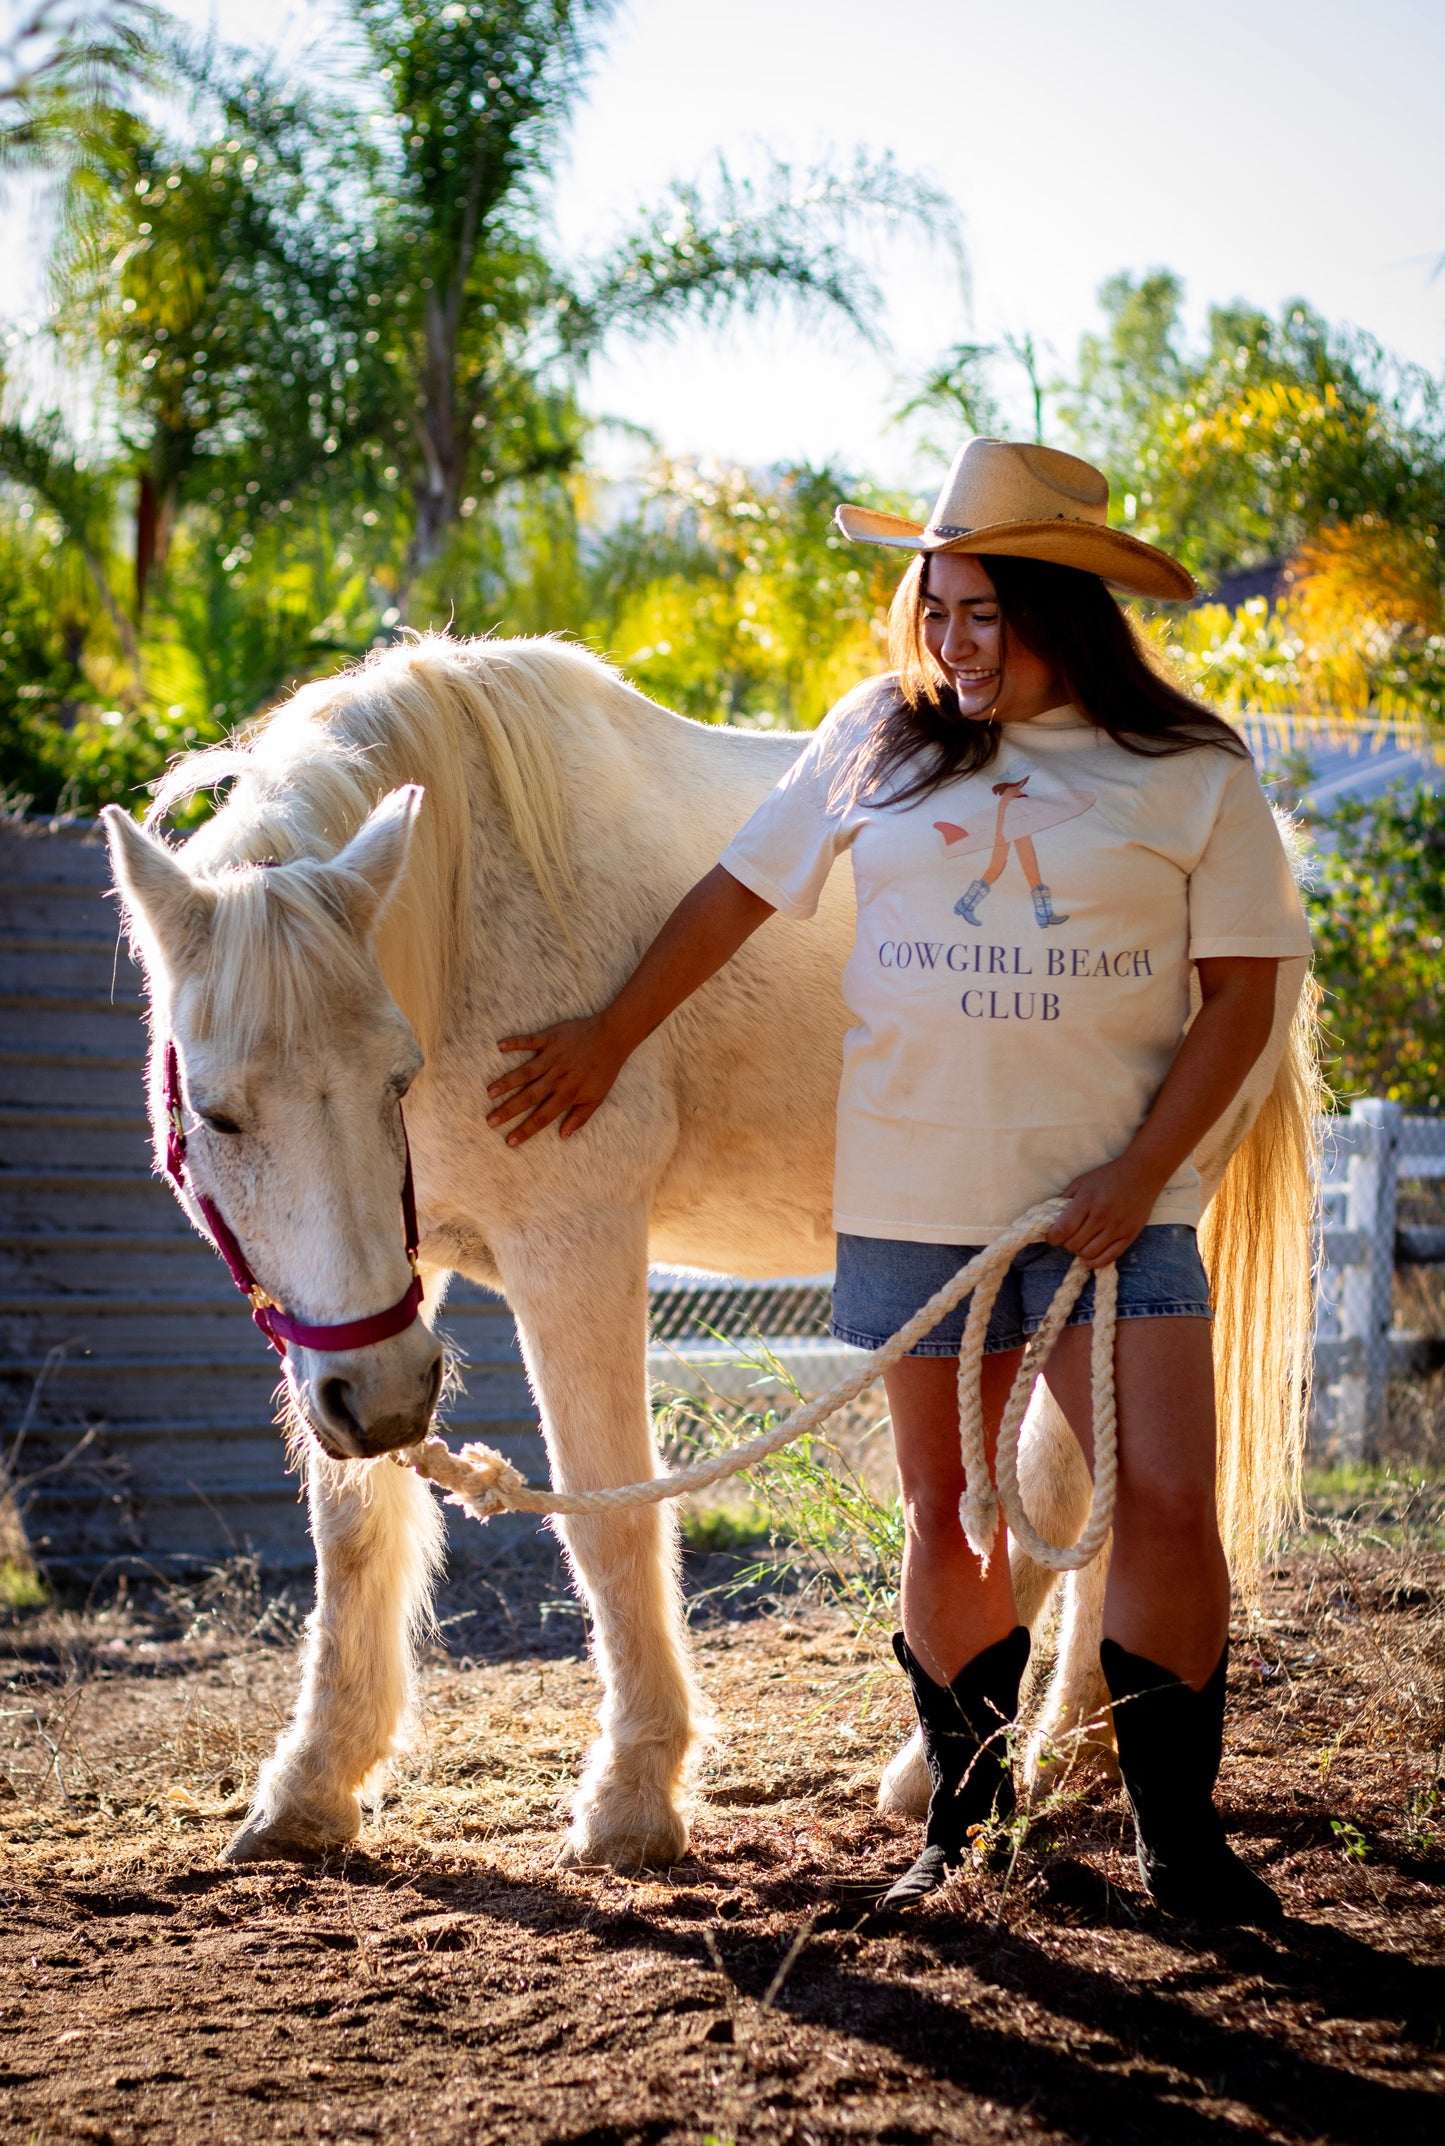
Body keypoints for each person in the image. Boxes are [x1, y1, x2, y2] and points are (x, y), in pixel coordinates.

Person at [484, 438, 1312, 1923]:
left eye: (981, 610)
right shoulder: (880, 736)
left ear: (1062, 607)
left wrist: (1139, 1172)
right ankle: (963, 1824)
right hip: (916, 1204)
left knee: (1169, 1503)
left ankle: (1179, 1841)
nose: (948, 639)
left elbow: (1243, 1000)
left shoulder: (1188, 769)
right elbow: (739, 890)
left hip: (1112, 1206)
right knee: (946, 1508)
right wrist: (611, 1033)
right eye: (933, 607)